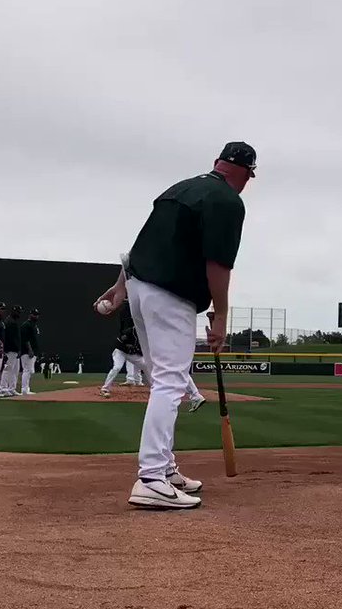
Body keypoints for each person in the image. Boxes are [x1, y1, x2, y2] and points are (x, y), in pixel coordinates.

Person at [94, 141, 255, 510]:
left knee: (163, 376)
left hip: (140, 286)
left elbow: (140, 246)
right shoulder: (228, 201)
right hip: (171, 294)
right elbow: (218, 264)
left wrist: (120, 289)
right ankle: (150, 477)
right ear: (245, 173)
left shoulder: (178, 188)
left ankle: (164, 469)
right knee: (170, 380)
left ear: (217, 162)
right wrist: (222, 316)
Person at [101, 299, 148, 398]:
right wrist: (127, 345)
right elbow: (118, 342)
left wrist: (137, 351)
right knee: (117, 367)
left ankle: (156, 387)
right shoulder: (130, 332)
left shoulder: (145, 336)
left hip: (132, 354)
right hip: (121, 352)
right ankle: (105, 388)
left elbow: (142, 349)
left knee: (146, 367)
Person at [0, 305, 22, 396]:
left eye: (19, 312)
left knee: (15, 370)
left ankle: (12, 388)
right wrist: (17, 348)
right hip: (10, 349)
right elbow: (11, 338)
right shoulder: (10, 322)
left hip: (14, 350)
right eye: (17, 312)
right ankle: (4, 388)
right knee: (8, 369)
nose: (19, 314)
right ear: (13, 311)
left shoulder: (12, 321)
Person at [18, 309, 40, 395]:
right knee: (27, 370)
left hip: (32, 350)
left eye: (37, 315)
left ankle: (26, 388)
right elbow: (25, 339)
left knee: (29, 370)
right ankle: (24, 389)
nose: (36, 316)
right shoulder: (26, 325)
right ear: (30, 315)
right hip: (27, 351)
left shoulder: (33, 325)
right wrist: (29, 349)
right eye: (34, 314)